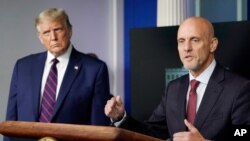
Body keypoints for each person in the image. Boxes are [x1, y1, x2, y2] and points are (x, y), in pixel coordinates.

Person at [105, 17, 250, 140]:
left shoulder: (239, 89)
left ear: (212, 44)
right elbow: (152, 132)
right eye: (181, 41)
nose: (186, 48)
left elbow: (243, 134)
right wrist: (120, 118)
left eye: (194, 40)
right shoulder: (173, 88)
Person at [5, 8, 110, 140]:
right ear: (40, 38)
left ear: (69, 31)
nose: (53, 37)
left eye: (58, 30)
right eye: (46, 32)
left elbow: (98, 127)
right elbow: (11, 122)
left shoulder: (94, 69)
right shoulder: (23, 67)